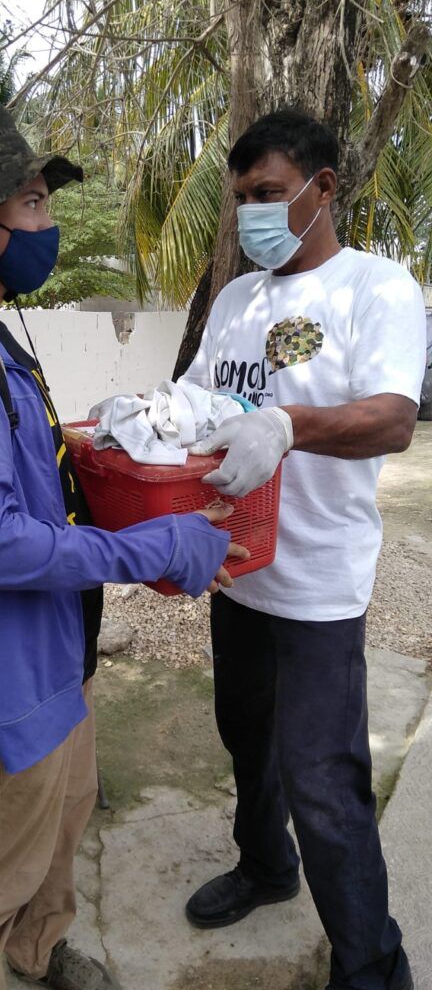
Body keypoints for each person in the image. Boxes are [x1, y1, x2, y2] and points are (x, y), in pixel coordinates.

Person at [0, 99, 248, 990]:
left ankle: (38, 954)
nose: (49, 222)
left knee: (65, 817)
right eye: (34, 203)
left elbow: (31, 486)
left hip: (52, 650)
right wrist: (149, 549)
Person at [183, 108, 426, 990]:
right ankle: (264, 865)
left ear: (324, 190)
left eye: (270, 194)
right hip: (236, 570)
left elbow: (394, 419)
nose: (252, 212)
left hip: (320, 582)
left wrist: (287, 424)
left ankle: (372, 967)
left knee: (324, 782)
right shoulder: (239, 298)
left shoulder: (376, 288)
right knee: (245, 740)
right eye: (242, 197)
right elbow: (195, 401)